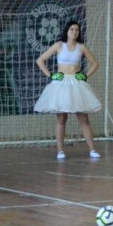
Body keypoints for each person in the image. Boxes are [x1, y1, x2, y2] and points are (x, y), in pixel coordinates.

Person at [33, 21, 102, 159]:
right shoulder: (59, 45)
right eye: (72, 29)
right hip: (61, 84)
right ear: (67, 31)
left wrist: (85, 75)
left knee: (83, 118)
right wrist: (51, 75)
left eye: (77, 30)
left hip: (76, 84)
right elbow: (40, 60)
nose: (74, 32)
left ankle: (92, 150)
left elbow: (95, 63)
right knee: (61, 118)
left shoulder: (81, 47)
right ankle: (60, 151)